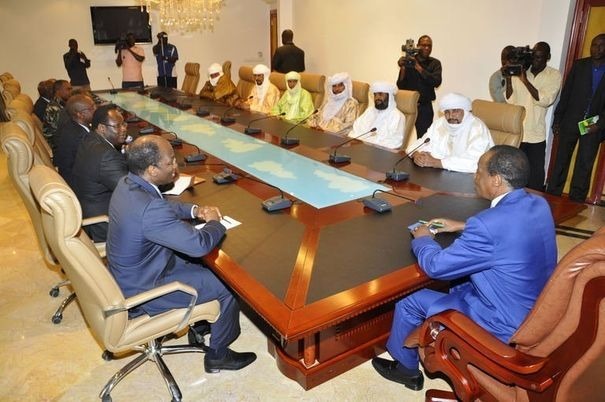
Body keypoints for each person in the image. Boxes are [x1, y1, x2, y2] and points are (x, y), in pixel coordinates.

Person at [372, 145, 557, 391]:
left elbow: (436, 267)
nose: (474, 176)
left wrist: (423, 239)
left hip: (504, 321)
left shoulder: (487, 225)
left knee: (410, 299)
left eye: (479, 171)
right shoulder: (539, 204)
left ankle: (406, 369)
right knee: (460, 283)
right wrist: (463, 225)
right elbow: (511, 230)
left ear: (497, 180)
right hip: (539, 308)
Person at [107, 135, 257, 373]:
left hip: (135, 272)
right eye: (170, 163)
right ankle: (218, 354)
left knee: (204, 268)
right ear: (152, 169)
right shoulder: (149, 209)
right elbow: (199, 244)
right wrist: (214, 222)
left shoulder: (127, 183)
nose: (176, 167)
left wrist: (195, 210)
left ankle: (201, 325)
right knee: (229, 285)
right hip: (147, 286)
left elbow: (162, 205)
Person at [547, 33, 605, 203]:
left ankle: (575, 202)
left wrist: (600, 124)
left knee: (584, 165)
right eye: (594, 44)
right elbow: (566, 94)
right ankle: (552, 195)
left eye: (602, 45)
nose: (597, 48)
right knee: (561, 161)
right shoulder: (580, 65)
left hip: (593, 125)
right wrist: (557, 119)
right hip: (571, 121)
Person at [505, 42, 561, 191]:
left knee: (535, 178)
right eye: (534, 56)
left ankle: (535, 206)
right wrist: (510, 77)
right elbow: (510, 99)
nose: (536, 60)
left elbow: (545, 100)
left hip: (536, 134)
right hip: (518, 131)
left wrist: (525, 80)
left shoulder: (554, 75)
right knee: (514, 176)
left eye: (540, 57)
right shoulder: (522, 70)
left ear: (548, 57)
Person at [71, 105, 128, 242]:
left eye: (124, 124)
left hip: (88, 207)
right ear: (102, 128)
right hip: (104, 221)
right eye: (118, 126)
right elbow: (131, 190)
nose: (124, 129)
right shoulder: (106, 155)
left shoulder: (90, 140)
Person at [412, 92, 494, 173]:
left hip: (470, 178)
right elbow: (422, 143)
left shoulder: (477, 127)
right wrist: (417, 155)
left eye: (455, 111)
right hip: (441, 174)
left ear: (465, 111)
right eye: (447, 112)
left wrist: (437, 163)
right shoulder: (440, 123)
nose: (451, 116)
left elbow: (475, 162)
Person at [396, 35, 442, 138]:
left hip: (424, 108)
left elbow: (436, 82)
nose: (427, 48)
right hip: (407, 105)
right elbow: (400, 85)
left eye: (429, 46)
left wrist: (418, 67)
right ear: (417, 46)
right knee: (400, 136)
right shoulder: (408, 61)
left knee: (424, 138)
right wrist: (403, 67)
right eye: (424, 45)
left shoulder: (435, 63)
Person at [53, 94, 96, 188]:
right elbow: (96, 165)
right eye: (91, 108)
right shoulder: (80, 136)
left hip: (75, 177)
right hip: (80, 185)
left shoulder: (72, 125)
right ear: (79, 114)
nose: (95, 109)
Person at [347, 81, 405, 149]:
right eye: (375, 95)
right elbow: (356, 129)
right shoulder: (370, 111)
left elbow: (395, 142)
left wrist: (368, 143)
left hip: (380, 153)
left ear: (389, 96)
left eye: (380, 94)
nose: (377, 98)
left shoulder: (397, 116)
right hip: (360, 148)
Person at [43, 79, 72, 152]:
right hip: (59, 147)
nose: (70, 92)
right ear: (58, 91)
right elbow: (62, 132)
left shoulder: (60, 104)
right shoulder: (54, 108)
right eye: (68, 89)